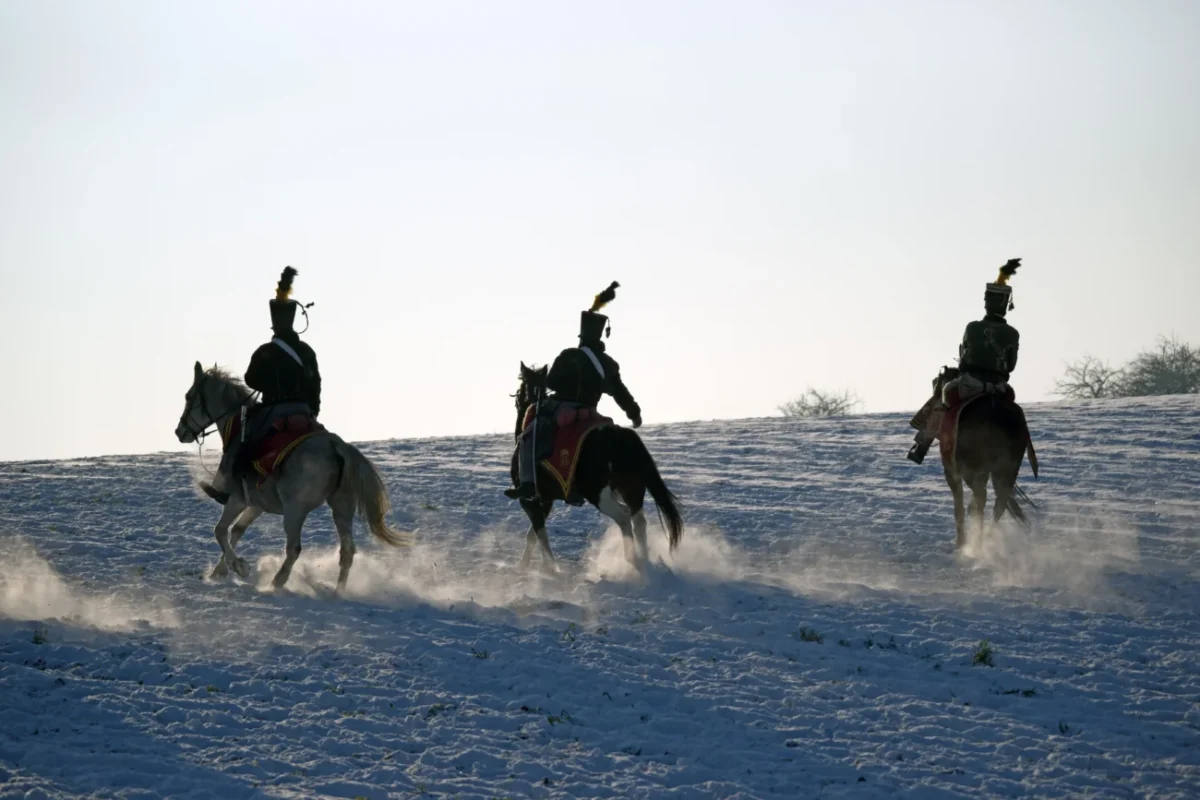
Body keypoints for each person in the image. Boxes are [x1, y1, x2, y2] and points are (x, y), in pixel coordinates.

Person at [513, 281, 642, 501]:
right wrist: (634, 413)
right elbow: (620, 393)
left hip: (564, 409)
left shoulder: (569, 355)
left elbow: (551, 383)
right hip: (592, 413)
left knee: (527, 435)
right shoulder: (608, 364)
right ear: (599, 336)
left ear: (581, 336)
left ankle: (528, 484)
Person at [205, 267, 322, 504]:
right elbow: (315, 383)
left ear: (274, 326)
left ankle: (227, 488)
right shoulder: (306, 351)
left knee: (238, 440)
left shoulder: (266, 352)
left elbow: (250, 380)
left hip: (273, 410)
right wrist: (312, 411)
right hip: (304, 411)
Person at [907, 259, 1022, 464]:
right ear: (1005, 305)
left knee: (942, 397)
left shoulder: (973, 327)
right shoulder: (1013, 333)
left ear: (987, 302)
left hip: (971, 384)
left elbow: (965, 359)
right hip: (1001, 387)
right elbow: (1011, 366)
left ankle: (923, 444)